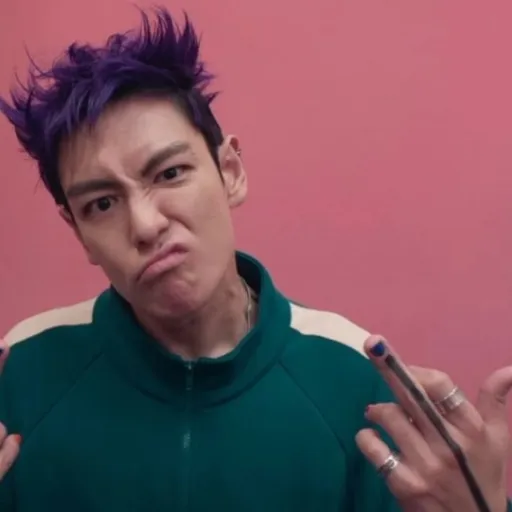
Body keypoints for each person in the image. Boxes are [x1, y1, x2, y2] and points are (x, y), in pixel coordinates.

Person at [0, 7, 510, 512]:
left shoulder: (352, 375)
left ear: (230, 171)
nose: (146, 225)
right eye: (102, 204)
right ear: (79, 232)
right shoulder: (23, 368)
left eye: (170, 173)